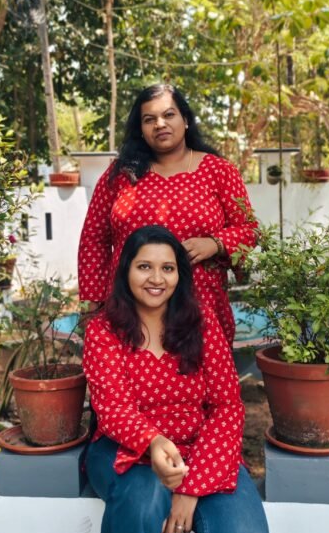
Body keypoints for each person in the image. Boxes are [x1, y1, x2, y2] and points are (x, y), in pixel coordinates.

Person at [83, 225, 269, 533]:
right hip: (124, 448)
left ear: (180, 274)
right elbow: (112, 409)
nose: (156, 278)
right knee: (141, 499)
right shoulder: (103, 330)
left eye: (167, 268)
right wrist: (153, 442)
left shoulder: (201, 325)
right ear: (125, 270)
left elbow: (227, 406)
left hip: (201, 449)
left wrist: (192, 487)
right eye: (144, 266)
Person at [78, 84, 258, 346]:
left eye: (168, 115)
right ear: (141, 129)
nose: (159, 124)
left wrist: (215, 244)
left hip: (200, 304)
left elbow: (249, 230)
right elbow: (94, 238)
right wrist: (92, 302)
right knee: (132, 370)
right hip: (130, 307)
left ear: (185, 120)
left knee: (201, 369)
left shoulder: (219, 171)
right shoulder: (122, 174)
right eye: (149, 119)